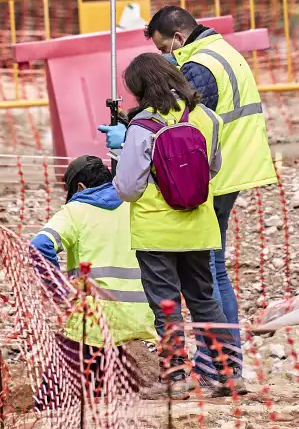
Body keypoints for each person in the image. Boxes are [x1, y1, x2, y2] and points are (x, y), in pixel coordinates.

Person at [143, 6, 278, 377]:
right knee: (214, 269)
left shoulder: (199, 67)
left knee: (209, 272)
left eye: (163, 48)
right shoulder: (226, 52)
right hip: (235, 168)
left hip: (214, 177)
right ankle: (224, 362)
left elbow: (180, 121)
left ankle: (218, 363)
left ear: (178, 38)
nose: (164, 57)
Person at [98, 53, 235, 398]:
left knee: (166, 306)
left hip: (155, 230)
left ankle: (175, 379)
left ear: (141, 89)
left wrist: (119, 153)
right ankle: (229, 374)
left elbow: (127, 188)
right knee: (205, 300)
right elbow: (212, 168)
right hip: (199, 227)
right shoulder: (207, 117)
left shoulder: (142, 126)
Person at [30, 155, 156, 408]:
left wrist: (60, 292)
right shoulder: (136, 205)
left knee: (50, 400)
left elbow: (39, 246)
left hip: (92, 319)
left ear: (79, 188)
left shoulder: (75, 211)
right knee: (107, 393)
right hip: (141, 317)